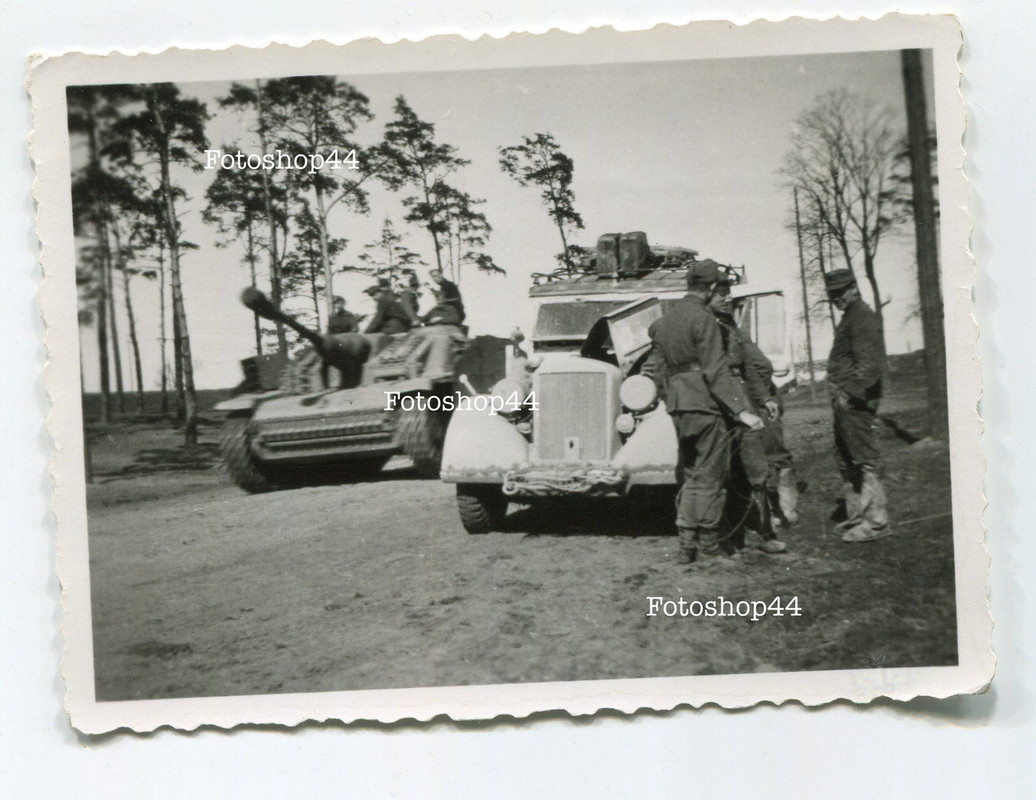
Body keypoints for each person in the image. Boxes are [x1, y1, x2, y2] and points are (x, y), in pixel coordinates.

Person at [646, 261, 765, 567]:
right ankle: (710, 548)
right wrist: (742, 411)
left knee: (691, 476)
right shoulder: (705, 320)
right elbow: (716, 373)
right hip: (705, 406)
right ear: (711, 288)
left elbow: (658, 372)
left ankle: (686, 546)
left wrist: (668, 398)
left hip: (678, 407)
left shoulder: (664, 322)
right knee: (711, 477)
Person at [708, 274, 787, 554]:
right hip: (719, 406)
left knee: (757, 471)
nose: (727, 298)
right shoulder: (704, 328)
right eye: (720, 294)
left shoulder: (733, 328)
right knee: (723, 474)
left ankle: (765, 534)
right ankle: (727, 539)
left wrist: (765, 399)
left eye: (729, 293)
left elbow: (750, 369)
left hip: (745, 405)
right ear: (707, 295)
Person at [824, 268, 892, 542]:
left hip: (855, 404)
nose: (836, 298)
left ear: (854, 288)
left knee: (864, 460)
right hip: (846, 403)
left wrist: (849, 394)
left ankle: (875, 523)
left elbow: (869, 368)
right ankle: (857, 518)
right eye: (832, 294)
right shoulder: (851, 318)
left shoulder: (862, 318)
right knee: (846, 461)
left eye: (841, 291)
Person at [320, 295, 361, 389]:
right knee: (324, 362)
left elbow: (354, 329)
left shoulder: (349, 316)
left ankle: (350, 383)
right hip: (334, 345)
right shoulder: (332, 318)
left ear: (343, 304)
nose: (337, 306)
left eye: (339, 303)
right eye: (335, 304)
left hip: (346, 344)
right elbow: (329, 332)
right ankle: (325, 386)